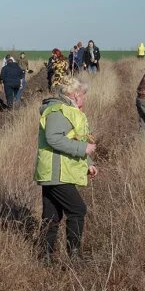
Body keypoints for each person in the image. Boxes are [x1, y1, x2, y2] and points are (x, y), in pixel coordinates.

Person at [35, 78, 97, 262]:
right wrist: (83, 149)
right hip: (56, 171)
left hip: (61, 170)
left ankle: (45, 256)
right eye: (83, 94)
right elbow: (53, 138)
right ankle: (74, 256)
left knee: (51, 215)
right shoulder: (58, 111)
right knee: (78, 209)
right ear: (75, 95)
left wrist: (88, 163)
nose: (85, 98)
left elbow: (77, 138)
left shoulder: (69, 111)